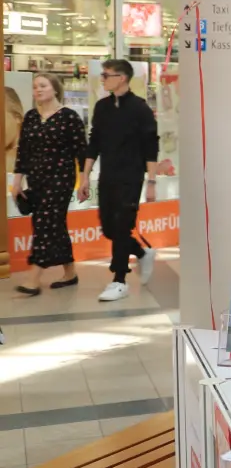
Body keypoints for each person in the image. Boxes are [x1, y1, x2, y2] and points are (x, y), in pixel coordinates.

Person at [80, 59, 158, 302]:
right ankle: (142, 253)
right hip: (108, 177)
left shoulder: (140, 109)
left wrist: (152, 182)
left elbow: (151, 146)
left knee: (123, 226)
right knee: (109, 228)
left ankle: (119, 280)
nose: (102, 79)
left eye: (106, 75)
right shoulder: (102, 107)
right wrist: (85, 176)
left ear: (121, 77)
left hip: (131, 178)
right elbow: (94, 143)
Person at [10, 73, 86, 296]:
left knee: (44, 223)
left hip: (60, 179)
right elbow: (23, 152)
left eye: (43, 86)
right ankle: (70, 273)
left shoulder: (69, 117)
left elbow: (82, 151)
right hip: (36, 180)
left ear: (55, 89)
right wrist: (16, 182)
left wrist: (85, 180)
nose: (38, 90)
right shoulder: (31, 117)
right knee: (55, 225)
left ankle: (33, 278)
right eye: (35, 87)